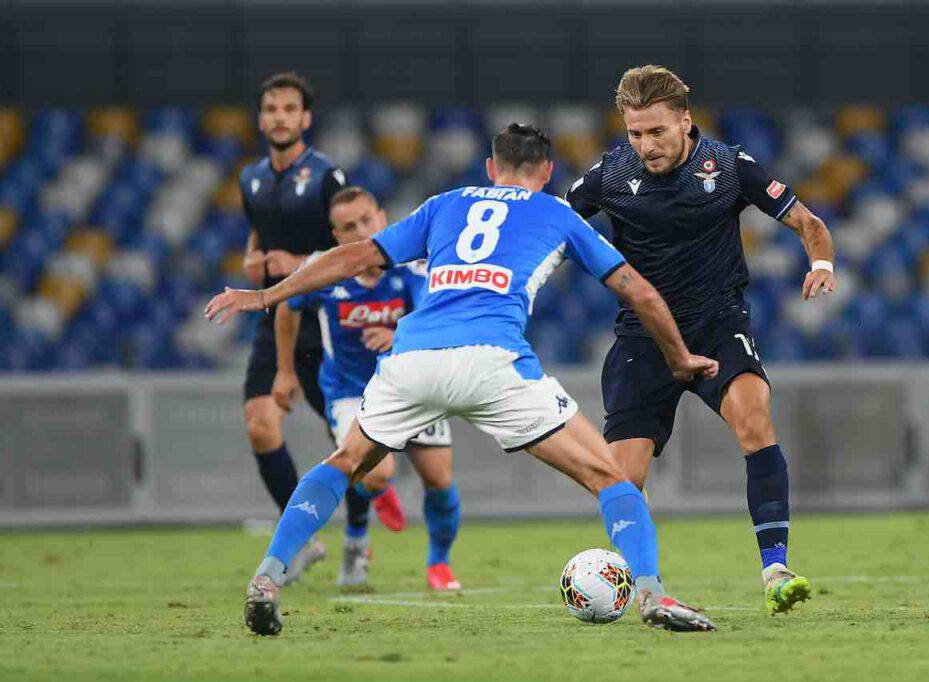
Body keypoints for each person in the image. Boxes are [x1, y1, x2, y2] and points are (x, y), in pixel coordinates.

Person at [207, 123, 721, 636]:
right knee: (608, 477)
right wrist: (679, 358)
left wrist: (263, 297)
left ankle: (268, 576)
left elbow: (355, 256)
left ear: (491, 169)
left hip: (413, 359)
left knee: (343, 463)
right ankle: (652, 591)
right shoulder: (557, 214)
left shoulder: (443, 203)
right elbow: (640, 293)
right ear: (546, 172)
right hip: (492, 361)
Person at [566, 65, 838, 613]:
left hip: (717, 323)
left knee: (755, 416)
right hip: (642, 337)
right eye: (635, 133)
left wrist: (822, 262)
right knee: (622, 479)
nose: (645, 145)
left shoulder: (731, 167)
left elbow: (808, 222)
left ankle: (776, 570)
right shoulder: (610, 175)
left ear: (685, 121)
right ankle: (646, 590)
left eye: (657, 132)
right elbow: (547, 222)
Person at [238, 71, 404, 582]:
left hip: (330, 321)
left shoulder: (327, 175)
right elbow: (259, 232)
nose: (280, 118)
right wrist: (254, 259)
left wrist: (295, 261)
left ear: (305, 118)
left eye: (290, 109)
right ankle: (303, 538)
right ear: (262, 117)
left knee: (352, 446)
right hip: (282, 318)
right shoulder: (250, 178)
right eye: (271, 109)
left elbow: (349, 246)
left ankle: (356, 538)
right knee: (260, 424)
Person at [272, 186, 462, 591]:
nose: (360, 231)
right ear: (336, 235)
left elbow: (436, 315)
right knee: (375, 475)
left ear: (382, 216)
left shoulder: (412, 265)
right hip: (348, 391)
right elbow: (287, 309)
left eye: (366, 220)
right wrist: (284, 372)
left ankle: (438, 563)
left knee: (440, 481)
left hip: (412, 383)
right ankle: (367, 518)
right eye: (348, 227)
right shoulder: (323, 269)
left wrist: (397, 333)